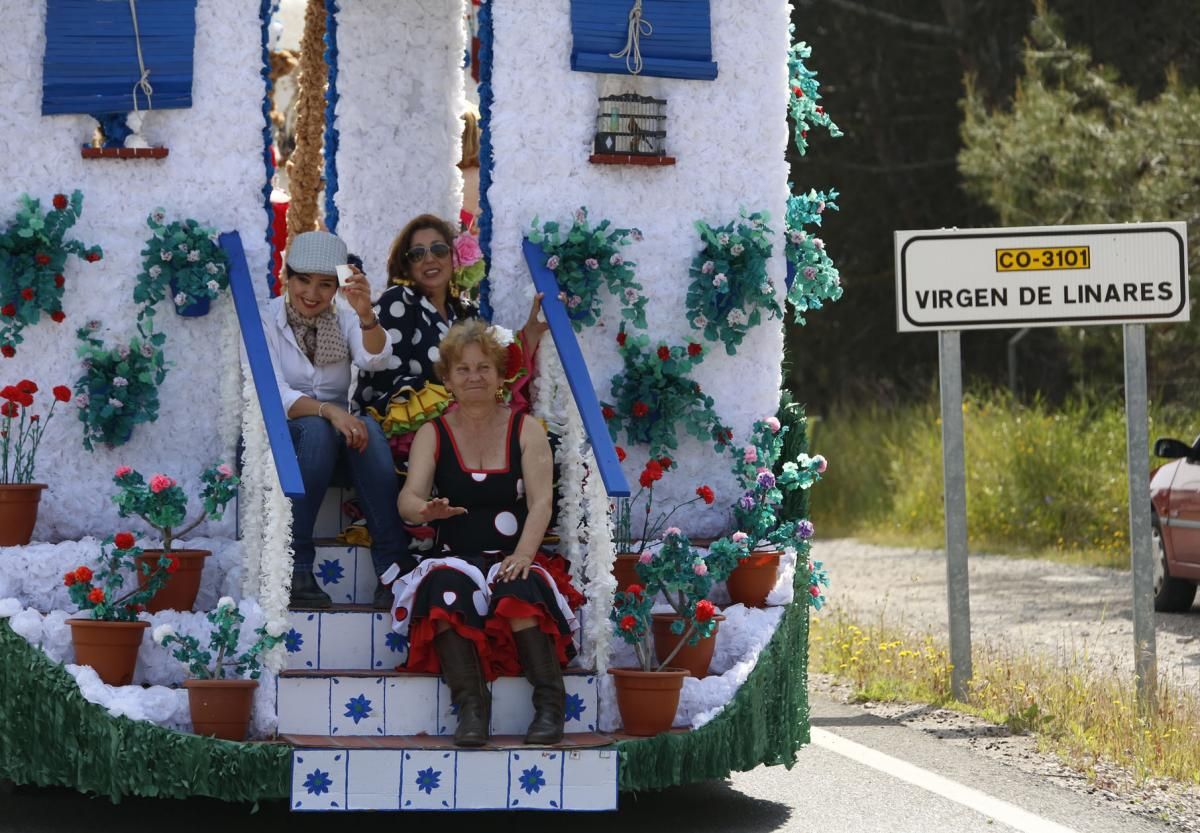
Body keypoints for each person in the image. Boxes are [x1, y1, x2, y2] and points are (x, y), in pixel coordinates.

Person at [384, 319, 582, 747]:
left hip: (514, 553)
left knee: (520, 585)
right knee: (443, 587)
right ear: (448, 379)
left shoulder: (527, 429)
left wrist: (525, 554)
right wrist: (426, 509)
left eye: (483, 368)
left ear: (499, 374)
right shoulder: (431, 433)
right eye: (462, 369)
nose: (473, 376)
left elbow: (542, 503)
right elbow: (408, 499)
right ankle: (472, 709)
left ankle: (550, 707)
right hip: (455, 556)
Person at [262, 230, 414, 609]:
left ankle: (393, 568)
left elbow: (375, 358)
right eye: (303, 280)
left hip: (332, 440)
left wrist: (365, 313)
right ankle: (296, 568)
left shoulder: (344, 319)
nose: (312, 294)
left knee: (372, 431)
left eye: (325, 284)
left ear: (337, 288)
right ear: (287, 276)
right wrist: (330, 411)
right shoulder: (265, 318)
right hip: (283, 441)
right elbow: (273, 394)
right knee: (316, 430)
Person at [352, 214, 546, 469]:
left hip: (459, 429)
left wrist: (533, 329)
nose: (429, 258)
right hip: (403, 432)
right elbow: (385, 380)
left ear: (454, 258)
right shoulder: (400, 300)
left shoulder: (467, 312)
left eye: (439, 249)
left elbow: (493, 372)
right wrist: (457, 401)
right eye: (417, 254)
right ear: (406, 265)